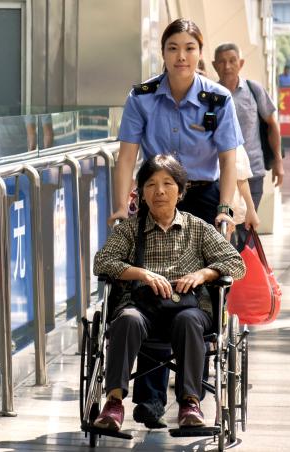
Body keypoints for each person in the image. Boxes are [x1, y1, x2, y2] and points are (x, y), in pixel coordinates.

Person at [110, 18, 243, 428]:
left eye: (189, 48)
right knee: (151, 286)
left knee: (193, 295)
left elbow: (228, 159)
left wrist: (225, 208)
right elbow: (127, 156)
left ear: (200, 53)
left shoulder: (218, 99)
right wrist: (121, 206)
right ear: (163, 52)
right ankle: (149, 401)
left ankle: (191, 398)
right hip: (157, 192)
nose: (181, 56)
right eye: (173, 48)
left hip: (202, 195)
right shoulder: (142, 96)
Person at [92, 155, 246, 431]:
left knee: (188, 321)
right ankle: (113, 403)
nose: (159, 191)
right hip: (142, 307)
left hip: (188, 307)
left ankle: (190, 403)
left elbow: (236, 263)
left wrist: (203, 274)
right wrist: (141, 274)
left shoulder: (197, 228)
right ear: (141, 193)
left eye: (167, 184)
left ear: (181, 191)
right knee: (126, 319)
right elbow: (102, 262)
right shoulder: (130, 230)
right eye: (151, 185)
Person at [212, 42, 284, 217]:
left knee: (247, 224)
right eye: (221, 61)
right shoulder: (210, 94)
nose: (227, 66)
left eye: (232, 60)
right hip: (220, 173)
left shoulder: (254, 90)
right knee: (223, 225)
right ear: (214, 65)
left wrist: (278, 162)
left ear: (241, 63)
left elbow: (272, 124)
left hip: (253, 172)